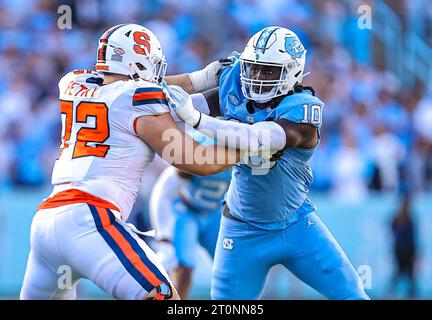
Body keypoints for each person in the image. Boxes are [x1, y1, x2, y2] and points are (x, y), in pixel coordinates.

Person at [20, 23, 240, 300]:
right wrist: (250, 146)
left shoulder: (73, 82)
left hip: (46, 224)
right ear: (139, 63)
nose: (158, 74)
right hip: (90, 218)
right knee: (160, 295)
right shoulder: (138, 100)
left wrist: (202, 78)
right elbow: (197, 160)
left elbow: (137, 88)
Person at [166, 26, 369, 299]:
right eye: (255, 68)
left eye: (270, 71)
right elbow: (183, 103)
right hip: (241, 228)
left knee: (352, 295)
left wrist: (196, 119)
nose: (259, 77)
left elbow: (258, 137)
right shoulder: (235, 83)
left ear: (292, 71)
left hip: (297, 225)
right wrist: (136, 89)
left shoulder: (303, 110)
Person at [150, 152, 231, 299]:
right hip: (187, 211)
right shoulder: (196, 154)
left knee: (231, 265)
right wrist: (163, 238)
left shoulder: (241, 156)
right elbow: (163, 193)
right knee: (183, 266)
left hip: (215, 213)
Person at [390, 195, 418, 298]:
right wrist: (415, 252)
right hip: (407, 250)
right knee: (409, 273)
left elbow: (392, 231)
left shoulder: (397, 218)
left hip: (399, 249)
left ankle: (394, 290)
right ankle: (411, 294)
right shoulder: (410, 219)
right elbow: (412, 238)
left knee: (401, 272)